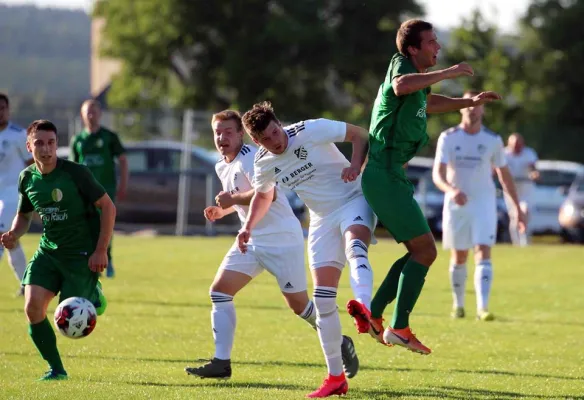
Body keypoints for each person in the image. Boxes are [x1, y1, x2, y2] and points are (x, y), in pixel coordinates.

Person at [184, 110, 359, 382]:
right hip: (252, 240)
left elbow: (266, 193)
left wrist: (232, 200)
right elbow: (243, 200)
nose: (222, 137)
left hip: (281, 238)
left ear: (241, 134)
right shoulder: (222, 165)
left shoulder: (251, 159)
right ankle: (221, 362)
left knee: (299, 306)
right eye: (218, 132)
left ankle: (339, 341)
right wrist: (224, 212)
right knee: (219, 292)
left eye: (229, 132)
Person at [362, 19, 502, 354]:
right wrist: (449, 72)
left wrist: (468, 103)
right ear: (412, 49)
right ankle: (398, 327)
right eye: (431, 42)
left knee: (419, 251)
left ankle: (375, 315)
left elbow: (429, 102)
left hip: (391, 174)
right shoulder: (401, 67)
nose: (437, 47)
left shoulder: (418, 82)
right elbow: (401, 85)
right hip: (383, 173)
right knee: (426, 251)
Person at [239, 102, 376, 398]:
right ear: (256, 141)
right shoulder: (263, 162)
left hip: (353, 200)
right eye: (265, 139)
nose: (274, 142)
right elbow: (263, 196)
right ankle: (336, 377)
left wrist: (355, 166)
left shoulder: (311, 129)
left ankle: (365, 306)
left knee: (355, 246)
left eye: (275, 132)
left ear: (279, 123)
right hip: (321, 219)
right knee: (322, 301)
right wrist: (247, 226)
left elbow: (361, 135)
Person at [0, 120, 114, 380]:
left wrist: (101, 250)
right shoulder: (27, 178)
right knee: (32, 308)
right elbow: (24, 216)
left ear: (57, 144)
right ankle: (56, 369)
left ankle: (93, 293)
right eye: (39, 143)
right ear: (29, 146)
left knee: (70, 316)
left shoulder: (77, 173)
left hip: (82, 255)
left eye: (51, 142)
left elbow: (108, 207)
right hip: (48, 252)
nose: (46, 149)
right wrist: (14, 234)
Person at [433, 91, 526, 321]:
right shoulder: (448, 137)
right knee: (459, 255)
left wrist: (518, 210)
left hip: (484, 203)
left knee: (483, 250)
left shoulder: (492, 140)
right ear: (461, 108)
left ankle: (482, 308)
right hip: (456, 204)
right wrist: (452, 190)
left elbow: (505, 177)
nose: (473, 109)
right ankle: (458, 305)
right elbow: (438, 174)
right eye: (469, 105)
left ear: (483, 109)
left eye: (478, 105)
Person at [70, 99, 128, 278]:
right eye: (87, 112)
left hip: (106, 189)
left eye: (94, 111)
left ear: (100, 114)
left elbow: (123, 160)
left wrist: (123, 184)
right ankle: (89, 262)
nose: (91, 115)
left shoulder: (109, 137)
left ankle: (107, 260)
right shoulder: (78, 140)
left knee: (105, 224)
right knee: (86, 226)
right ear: (82, 115)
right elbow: (73, 167)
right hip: (84, 192)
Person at [0, 93, 32, 296]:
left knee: (2, 234)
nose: (0, 112)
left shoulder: (18, 134)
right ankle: (27, 282)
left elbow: (31, 164)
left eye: (3, 108)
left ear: (8, 110)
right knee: (10, 240)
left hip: (13, 193)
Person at [504, 133, 539, 246]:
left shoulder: (529, 153)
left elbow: (533, 168)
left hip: (526, 190)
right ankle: (516, 243)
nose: (516, 148)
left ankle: (525, 241)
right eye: (514, 145)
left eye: (518, 145)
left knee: (524, 212)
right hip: (511, 190)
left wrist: (534, 174)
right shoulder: (504, 154)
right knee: (514, 216)